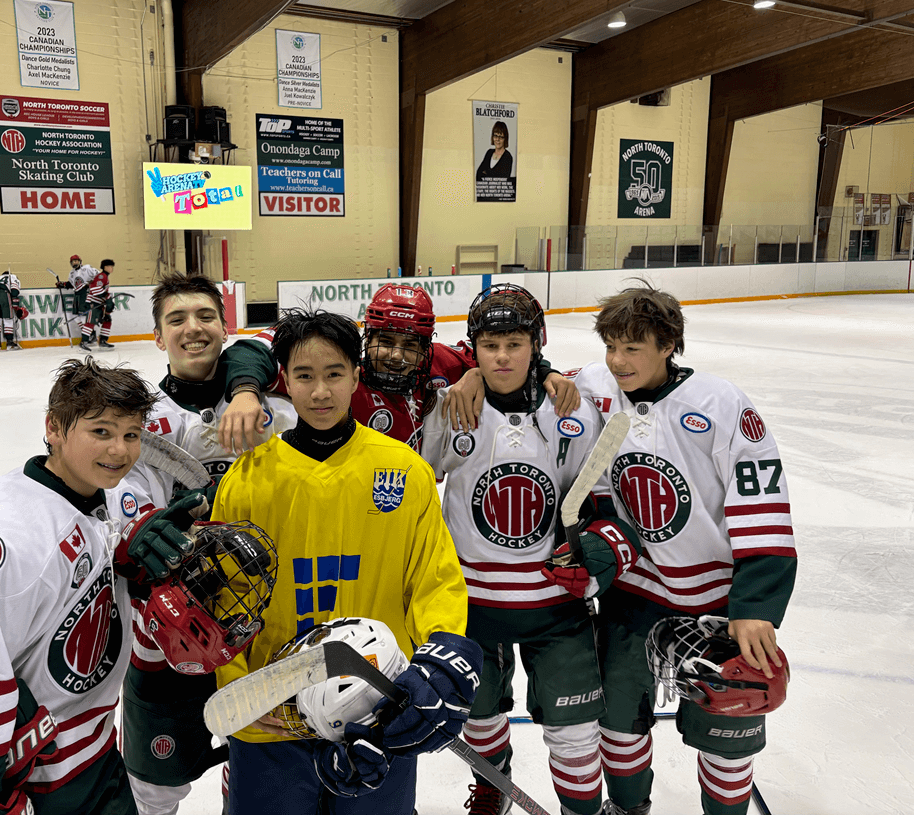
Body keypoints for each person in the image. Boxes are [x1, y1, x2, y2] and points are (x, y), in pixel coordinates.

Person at [0, 357, 199, 815]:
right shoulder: (0, 538)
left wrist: (132, 551)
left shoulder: (109, 491)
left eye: (132, 435)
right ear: (54, 427)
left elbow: (101, 539)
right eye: (102, 431)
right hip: (35, 779)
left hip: (93, 756)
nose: (120, 450)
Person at [211, 308, 483, 815]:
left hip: (377, 711)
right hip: (274, 716)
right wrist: (239, 691)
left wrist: (437, 660)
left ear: (356, 377)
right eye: (304, 376)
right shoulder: (247, 479)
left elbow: (433, 579)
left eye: (334, 374)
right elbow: (225, 600)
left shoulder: (405, 470)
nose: (320, 392)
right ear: (284, 381)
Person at [568, 282, 795, 815]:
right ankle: (627, 808)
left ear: (668, 345)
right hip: (634, 594)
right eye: (611, 347)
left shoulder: (720, 403)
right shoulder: (596, 385)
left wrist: (757, 605)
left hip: (717, 603)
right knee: (618, 720)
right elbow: (535, 378)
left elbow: (761, 502)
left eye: (632, 348)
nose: (617, 361)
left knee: (728, 729)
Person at [420, 284, 640, 815]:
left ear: (535, 345)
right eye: (490, 345)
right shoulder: (453, 408)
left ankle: (581, 809)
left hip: (555, 604)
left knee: (576, 731)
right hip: (472, 603)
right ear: (474, 349)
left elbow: (602, 498)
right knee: (478, 717)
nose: (502, 357)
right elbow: (416, 485)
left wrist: (599, 551)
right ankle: (492, 787)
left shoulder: (572, 408)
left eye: (514, 344)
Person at [113, 271, 296, 815]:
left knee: (253, 764)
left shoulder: (275, 408)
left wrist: (246, 390)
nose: (192, 328)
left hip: (260, 622)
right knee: (153, 786)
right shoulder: (139, 421)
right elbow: (120, 513)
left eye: (205, 316)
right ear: (157, 337)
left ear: (224, 325)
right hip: (166, 636)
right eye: (176, 320)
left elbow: (271, 341)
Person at [216, 283, 579, 456]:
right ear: (368, 337)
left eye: (410, 346)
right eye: (386, 341)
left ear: (426, 346)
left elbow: (501, 358)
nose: (396, 356)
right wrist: (245, 392)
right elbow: (250, 350)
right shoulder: (338, 373)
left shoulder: (441, 362)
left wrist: (545, 372)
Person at [56, 253, 97, 337]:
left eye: (76, 261)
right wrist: (63, 284)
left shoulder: (87, 268)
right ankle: (91, 333)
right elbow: (72, 284)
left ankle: (88, 335)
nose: (74, 262)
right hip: (77, 295)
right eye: (73, 261)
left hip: (85, 294)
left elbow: (99, 276)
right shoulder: (71, 273)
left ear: (80, 261)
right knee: (75, 317)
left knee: (83, 316)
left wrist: (90, 284)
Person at [82, 258, 116, 351]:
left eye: (112, 266)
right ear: (105, 267)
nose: (111, 268)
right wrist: (106, 297)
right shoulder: (101, 276)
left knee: (107, 320)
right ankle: (84, 342)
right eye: (110, 266)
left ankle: (103, 341)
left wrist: (107, 299)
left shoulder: (105, 277)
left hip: (100, 303)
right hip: (94, 303)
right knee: (91, 322)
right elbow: (94, 289)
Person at [0, 269, 22, 351]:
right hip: (4, 295)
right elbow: (15, 291)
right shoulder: (12, 277)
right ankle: (9, 342)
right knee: (8, 319)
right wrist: (15, 301)